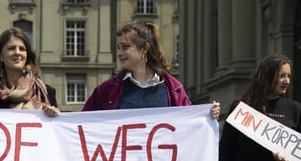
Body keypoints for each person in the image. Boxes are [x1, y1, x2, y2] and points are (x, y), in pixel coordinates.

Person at [81, 20, 219, 119]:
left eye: (125, 47)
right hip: (121, 160)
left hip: (162, 160)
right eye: (118, 48)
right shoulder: (107, 89)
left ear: (144, 49)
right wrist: (59, 118)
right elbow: (81, 122)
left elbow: (191, 124)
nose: (119, 53)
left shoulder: (174, 89)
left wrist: (208, 115)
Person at [0, 27, 59, 117]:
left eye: (22, 49)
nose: (17, 53)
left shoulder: (47, 92)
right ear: (0, 55)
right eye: (11, 48)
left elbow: (54, 130)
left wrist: (54, 115)